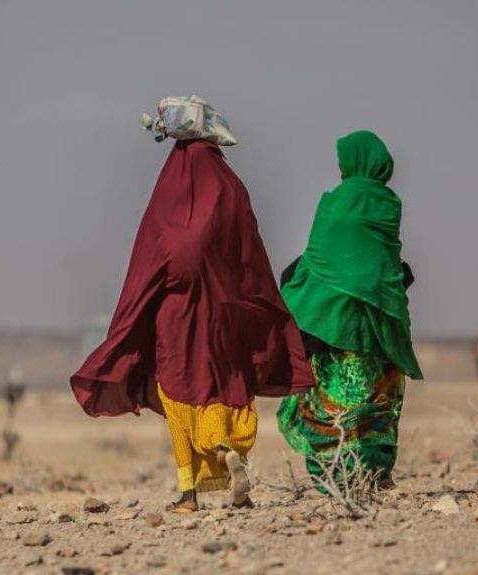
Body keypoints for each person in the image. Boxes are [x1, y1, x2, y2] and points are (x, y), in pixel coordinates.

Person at [70, 96, 314, 513]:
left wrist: (137, 307)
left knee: (180, 391)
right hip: (228, 314)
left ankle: (190, 495)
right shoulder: (231, 187)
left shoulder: (172, 189)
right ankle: (231, 457)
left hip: (178, 315)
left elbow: (158, 255)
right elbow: (250, 255)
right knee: (225, 386)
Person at [276, 130, 423, 489]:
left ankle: (333, 476)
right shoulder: (388, 204)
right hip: (377, 323)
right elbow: (379, 262)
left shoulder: (334, 202)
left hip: (333, 321)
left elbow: (319, 260)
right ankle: (375, 473)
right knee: (375, 399)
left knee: (332, 399)